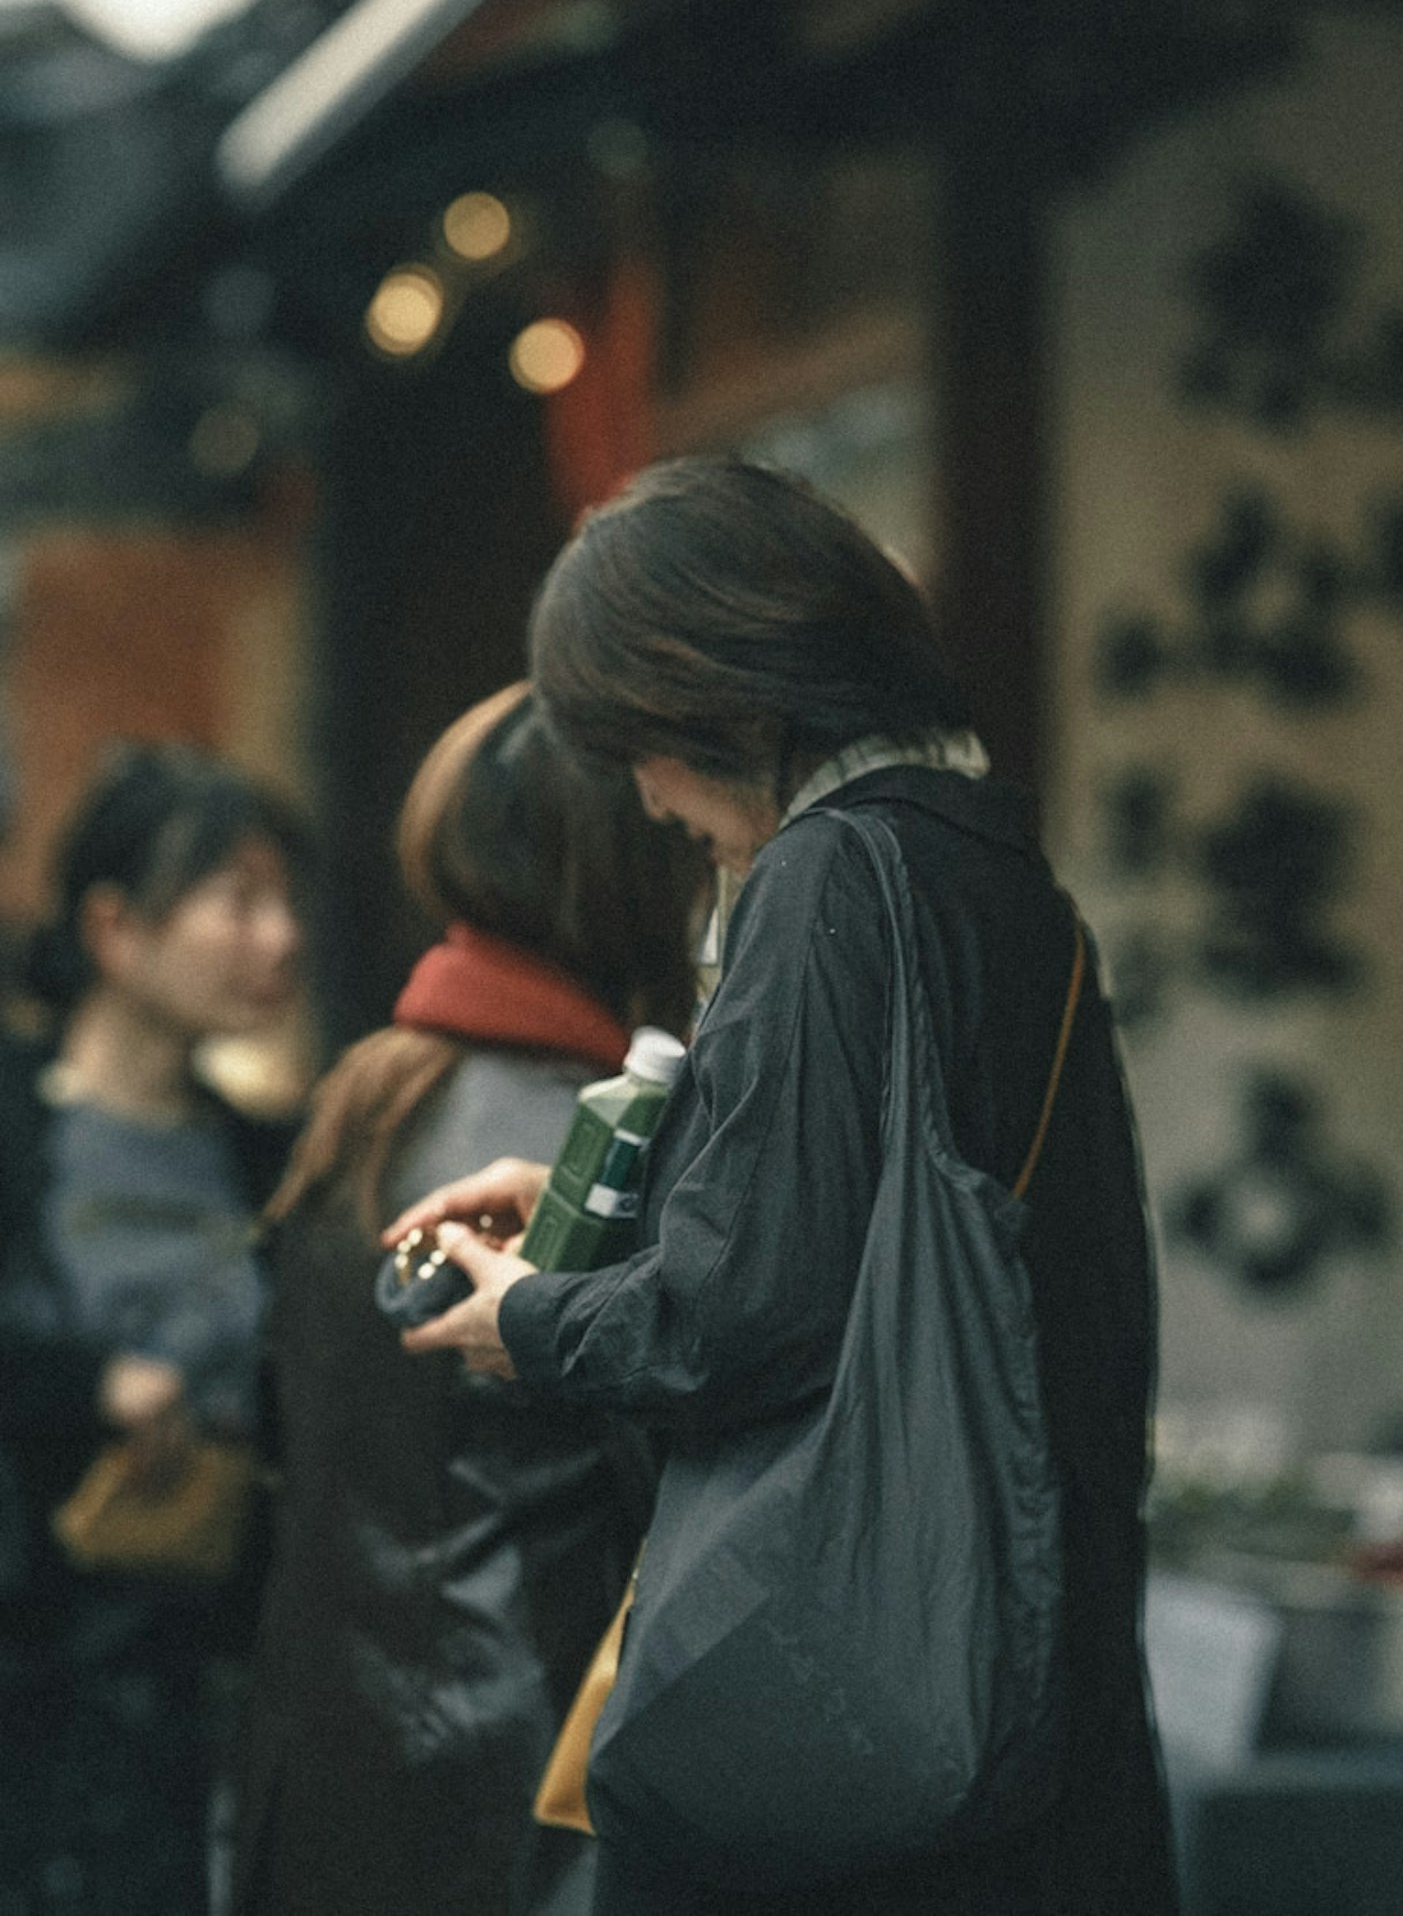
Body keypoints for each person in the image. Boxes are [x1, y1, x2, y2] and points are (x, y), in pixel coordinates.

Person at [392, 458, 1174, 1916]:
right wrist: (611, 1200)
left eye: (638, 741)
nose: (643, 793)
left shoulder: (827, 878)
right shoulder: (995, 866)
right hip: (1029, 1643)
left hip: (869, 1697)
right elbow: (866, 1225)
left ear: (726, 700)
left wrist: (537, 1318)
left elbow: (744, 1311)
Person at [234, 685, 707, 1916]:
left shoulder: (367, 1092)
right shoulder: (597, 1144)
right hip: (524, 1785)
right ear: (632, 875)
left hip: (329, 1763)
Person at [0, 746, 307, 1916]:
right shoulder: (15, 1124)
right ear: (115, 928)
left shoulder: (264, 1156)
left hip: (197, 1696)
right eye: (238, 899)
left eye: (287, 903)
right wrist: (89, 1386)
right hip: (31, 1684)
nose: (279, 938)